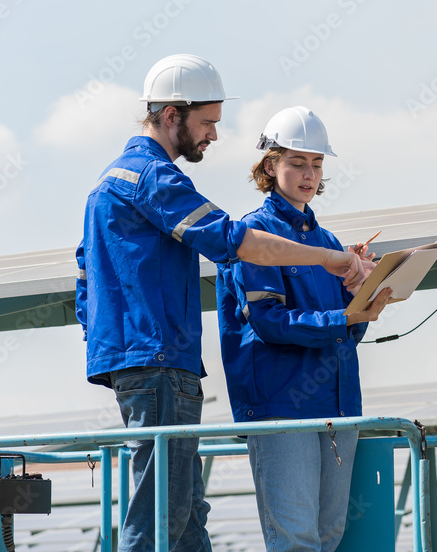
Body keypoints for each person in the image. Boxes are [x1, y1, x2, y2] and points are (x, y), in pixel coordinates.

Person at [75, 56, 368, 552]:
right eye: (207, 122)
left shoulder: (107, 185)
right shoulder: (153, 179)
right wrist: (331, 260)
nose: (213, 134)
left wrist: (113, 348)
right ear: (171, 116)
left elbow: (84, 284)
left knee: (184, 513)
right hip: (160, 359)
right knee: (161, 515)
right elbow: (235, 242)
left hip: (148, 359)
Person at [217, 106, 391, 552]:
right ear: (270, 165)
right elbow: (270, 323)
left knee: (329, 536)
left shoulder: (328, 243)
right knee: (295, 540)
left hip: (338, 402)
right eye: (297, 162)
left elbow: (344, 332)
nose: (308, 173)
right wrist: (344, 318)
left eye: (316, 164)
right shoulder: (254, 234)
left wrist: (365, 304)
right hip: (283, 406)